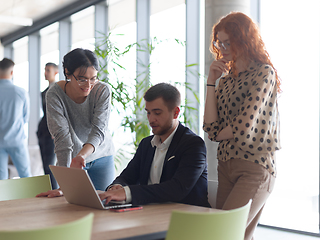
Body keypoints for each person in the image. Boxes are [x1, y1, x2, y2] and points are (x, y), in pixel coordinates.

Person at [203, 12, 281, 240]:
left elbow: (243, 126)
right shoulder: (226, 80)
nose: (223, 48)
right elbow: (209, 127)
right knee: (239, 237)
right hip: (225, 165)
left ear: (244, 41)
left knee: (221, 234)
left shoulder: (264, 73)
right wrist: (211, 82)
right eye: (219, 42)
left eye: (229, 42)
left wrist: (218, 133)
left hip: (254, 167)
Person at [99, 83, 210, 207]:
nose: (151, 119)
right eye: (148, 113)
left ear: (175, 112)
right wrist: (117, 187)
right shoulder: (146, 144)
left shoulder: (193, 145)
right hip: (151, 215)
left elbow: (177, 189)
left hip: (187, 218)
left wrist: (127, 193)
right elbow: (127, 176)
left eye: (157, 113)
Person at [36, 48, 115, 197]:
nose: (88, 85)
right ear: (67, 73)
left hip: (102, 156)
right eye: (82, 78)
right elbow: (61, 137)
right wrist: (65, 182)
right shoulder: (54, 94)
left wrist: (82, 155)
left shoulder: (102, 90)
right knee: (73, 206)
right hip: (73, 161)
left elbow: (98, 131)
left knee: (104, 206)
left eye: (93, 78)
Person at [0, 58, 32, 179]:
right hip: (17, 139)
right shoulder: (20, 92)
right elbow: (25, 117)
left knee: (1, 179)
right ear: (12, 72)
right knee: (26, 176)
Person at [37, 62, 59, 189]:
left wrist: (55, 132)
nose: (45, 73)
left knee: (50, 166)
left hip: (52, 134)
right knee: (45, 165)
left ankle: (55, 190)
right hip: (42, 132)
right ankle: (50, 190)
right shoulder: (44, 92)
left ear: (56, 73)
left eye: (48, 70)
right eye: (45, 70)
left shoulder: (59, 90)